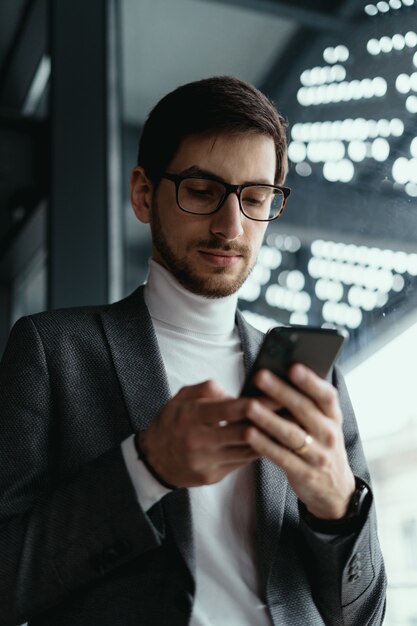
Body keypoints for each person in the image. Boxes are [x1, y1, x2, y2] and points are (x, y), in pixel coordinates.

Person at [0, 76, 386, 626]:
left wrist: (338, 507)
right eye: (203, 192)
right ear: (142, 194)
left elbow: (366, 615)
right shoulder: (53, 351)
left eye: (255, 198)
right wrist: (145, 467)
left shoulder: (315, 382)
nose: (231, 226)